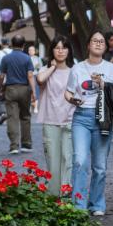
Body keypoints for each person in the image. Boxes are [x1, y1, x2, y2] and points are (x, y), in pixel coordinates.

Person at [65, 31, 113, 216]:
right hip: (81, 118)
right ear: (88, 45)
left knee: (100, 167)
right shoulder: (77, 68)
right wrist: (73, 100)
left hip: (103, 120)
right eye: (94, 40)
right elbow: (68, 92)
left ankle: (97, 204)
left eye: (101, 41)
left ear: (105, 47)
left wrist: (103, 83)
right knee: (80, 161)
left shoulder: (111, 68)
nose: (98, 43)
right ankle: (78, 205)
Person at [36, 36, 75, 195]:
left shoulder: (75, 71)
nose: (60, 51)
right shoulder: (45, 70)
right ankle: (53, 197)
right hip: (50, 120)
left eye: (64, 47)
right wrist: (52, 68)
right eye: (57, 48)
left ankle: (65, 195)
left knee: (68, 160)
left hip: (70, 120)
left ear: (68, 50)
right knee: (53, 161)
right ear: (52, 50)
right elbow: (40, 80)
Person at [0, 36, 35, 154]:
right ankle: (26, 144)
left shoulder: (6, 58)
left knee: (12, 118)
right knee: (25, 116)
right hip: (24, 89)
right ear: (23, 45)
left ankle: (14, 146)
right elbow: (30, 76)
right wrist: (34, 91)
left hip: (11, 89)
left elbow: (2, 76)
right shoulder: (27, 58)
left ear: (11, 44)